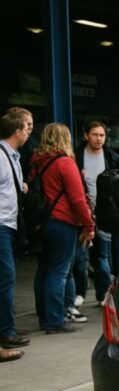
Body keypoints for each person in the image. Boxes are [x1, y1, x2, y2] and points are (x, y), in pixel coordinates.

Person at [29, 123, 94, 334]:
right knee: (59, 271)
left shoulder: (36, 162)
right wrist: (89, 224)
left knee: (44, 270)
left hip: (43, 222)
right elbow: (77, 199)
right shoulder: (65, 163)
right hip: (63, 221)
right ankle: (54, 321)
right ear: (65, 139)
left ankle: (44, 315)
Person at [75, 121, 119, 302]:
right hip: (83, 212)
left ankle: (103, 292)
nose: (99, 139)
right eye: (95, 135)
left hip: (104, 213)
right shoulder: (77, 156)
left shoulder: (110, 157)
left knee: (102, 255)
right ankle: (80, 292)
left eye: (102, 135)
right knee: (81, 256)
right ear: (86, 135)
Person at [0, 107, 33, 359]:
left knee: (7, 278)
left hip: (9, 224)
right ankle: (5, 332)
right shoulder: (1, 156)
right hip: (1, 224)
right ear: (17, 130)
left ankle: (7, 329)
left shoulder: (14, 156)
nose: (30, 130)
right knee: (6, 278)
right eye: (28, 126)